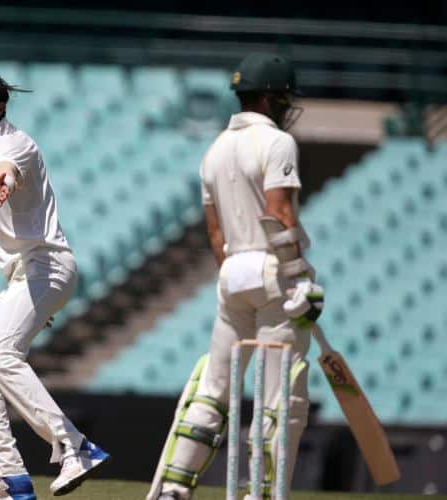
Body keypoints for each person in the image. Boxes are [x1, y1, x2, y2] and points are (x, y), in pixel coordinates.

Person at [146, 53, 324, 500]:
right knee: (279, 395)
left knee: (214, 389)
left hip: (231, 274)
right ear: (270, 98)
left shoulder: (215, 150)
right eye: (283, 98)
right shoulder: (276, 142)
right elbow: (279, 212)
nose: (285, 106)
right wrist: (299, 279)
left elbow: (215, 233)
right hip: (271, 272)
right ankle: (259, 493)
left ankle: (174, 488)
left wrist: (234, 275)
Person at [0, 74, 110, 500]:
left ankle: (75, 446)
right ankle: (12, 475)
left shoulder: (9, 143)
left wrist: (6, 181)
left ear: (0, 107)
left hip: (46, 267)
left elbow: (9, 167)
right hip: (27, 276)